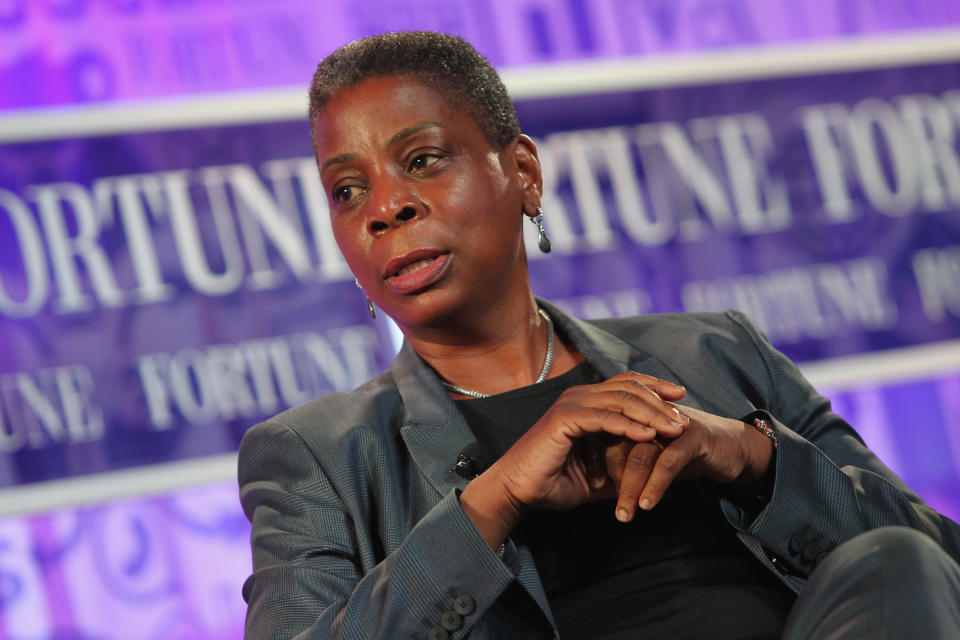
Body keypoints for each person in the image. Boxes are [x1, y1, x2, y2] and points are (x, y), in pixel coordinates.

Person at [238, 31, 960, 639]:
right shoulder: (317, 454)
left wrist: (752, 457)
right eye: (347, 190)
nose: (385, 208)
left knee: (895, 554)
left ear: (522, 173)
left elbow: (932, 569)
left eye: (422, 160)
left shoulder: (715, 354)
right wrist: (492, 502)